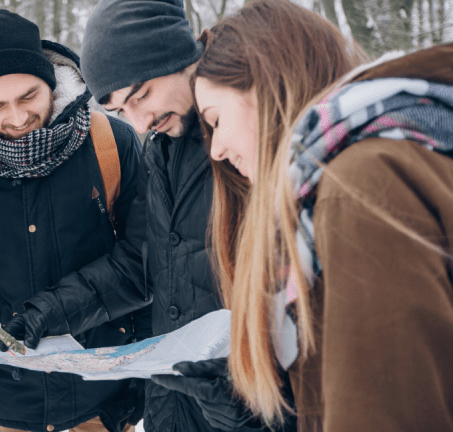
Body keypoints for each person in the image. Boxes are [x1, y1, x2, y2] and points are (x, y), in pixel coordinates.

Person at [0, 1, 293, 431]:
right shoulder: (161, 150)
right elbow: (141, 262)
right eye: (119, 111)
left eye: (141, 95)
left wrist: (259, 408)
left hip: (247, 406)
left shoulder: (252, 141)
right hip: (175, 407)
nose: (138, 122)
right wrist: (52, 311)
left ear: (178, 56)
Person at [191, 0, 453, 431]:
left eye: (216, 119)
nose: (215, 149)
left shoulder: (358, 186)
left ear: (266, 85)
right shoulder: (332, 192)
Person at [0, 9, 149, 432]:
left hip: (101, 378)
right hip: (8, 386)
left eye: (28, 96)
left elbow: (144, 261)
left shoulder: (112, 142)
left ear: (50, 81)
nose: (15, 117)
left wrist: (143, 375)